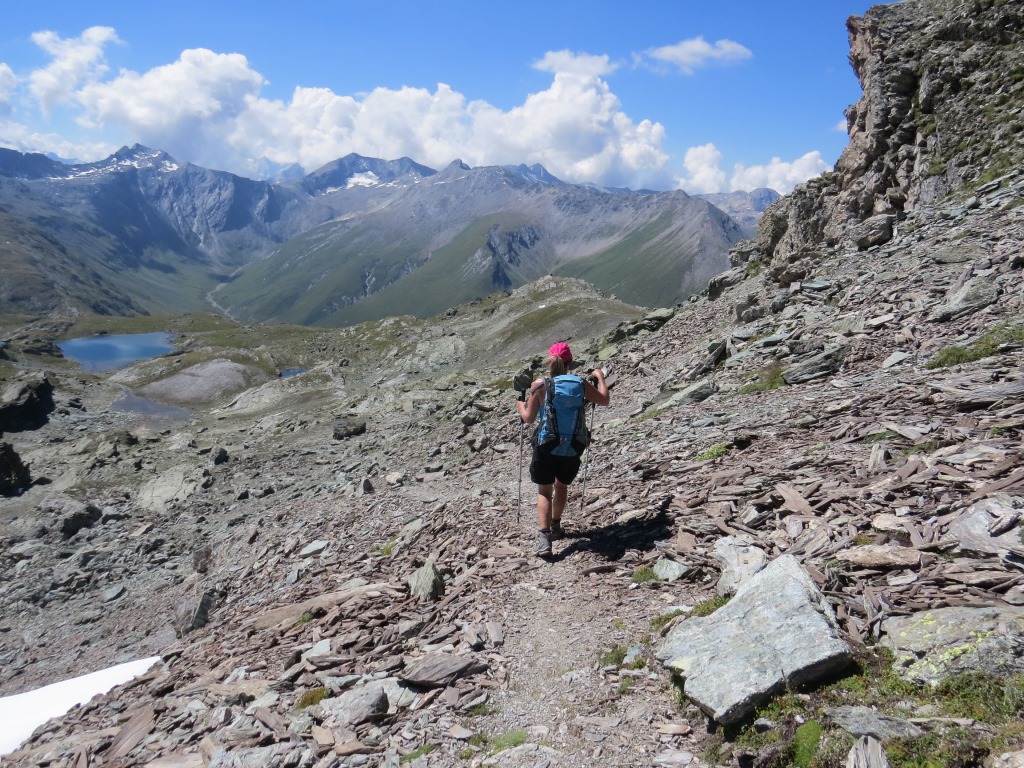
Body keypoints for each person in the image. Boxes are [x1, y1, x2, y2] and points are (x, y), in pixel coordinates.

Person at [516, 342, 609, 556]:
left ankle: (544, 538)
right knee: (562, 485)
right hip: (574, 445)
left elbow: (529, 418)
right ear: (570, 362)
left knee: (544, 490)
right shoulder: (580, 383)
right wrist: (600, 377)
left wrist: (520, 406)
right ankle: (556, 525)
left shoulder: (540, 385)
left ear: (550, 362)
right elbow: (604, 400)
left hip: (547, 444)